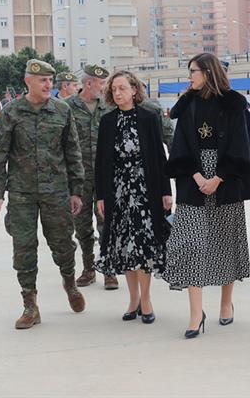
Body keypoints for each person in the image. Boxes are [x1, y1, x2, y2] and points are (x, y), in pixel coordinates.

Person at [0, 59, 86, 330]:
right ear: (27, 81)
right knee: (24, 249)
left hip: (56, 191)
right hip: (21, 193)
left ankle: (70, 282)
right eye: (42, 80)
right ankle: (30, 305)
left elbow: (73, 153)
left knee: (63, 245)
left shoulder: (62, 111)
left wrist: (76, 190)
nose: (48, 85)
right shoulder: (11, 112)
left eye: (51, 80)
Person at [164, 52, 250, 339]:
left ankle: (226, 302)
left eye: (193, 71)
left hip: (225, 181)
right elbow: (179, 146)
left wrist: (217, 178)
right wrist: (197, 176)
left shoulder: (232, 104)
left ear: (208, 72)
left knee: (225, 240)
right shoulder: (188, 104)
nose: (189, 76)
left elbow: (242, 146)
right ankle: (195, 315)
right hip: (193, 181)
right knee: (191, 244)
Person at [94, 70, 171, 323]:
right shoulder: (107, 121)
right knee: (125, 245)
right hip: (118, 191)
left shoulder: (149, 118)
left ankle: (146, 299)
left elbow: (160, 158)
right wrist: (101, 196)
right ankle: (133, 299)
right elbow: (101, 162)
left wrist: (165, 191)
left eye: (122, 88)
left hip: (145, 189)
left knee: (144, 245)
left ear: (134, 90)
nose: (117, 93)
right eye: (114, 89)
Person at [65, 64, 119, 290]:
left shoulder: (109, 107)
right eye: (101, 84)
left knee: (107, 222)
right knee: (82, 225)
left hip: (106, 175)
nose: (104, 88)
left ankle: (109, 270)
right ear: (88, 83)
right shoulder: (67, 107)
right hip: (79, 177)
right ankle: (88, 269)